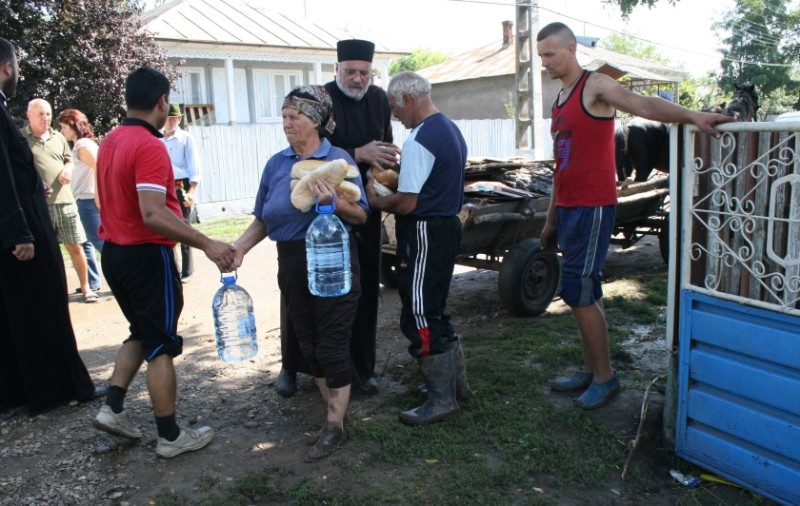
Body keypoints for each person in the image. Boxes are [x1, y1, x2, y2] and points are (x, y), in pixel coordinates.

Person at [536, 22, 734, 409]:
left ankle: (606, 378)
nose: (544, 61)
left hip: (593, 206)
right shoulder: (559, 100)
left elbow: (643, 106)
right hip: (570, 208)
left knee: (578, 290)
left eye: (549, 54)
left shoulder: (594, 87)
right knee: (585, 292)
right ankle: (592, 369)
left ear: (572, 49)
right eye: (540, 55)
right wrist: (550, 216)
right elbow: (562, 165)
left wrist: (693, 115)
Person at [91, 66, 237, 459]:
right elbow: (153, 213)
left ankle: (113, 407)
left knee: (140, 330)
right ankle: (170, 436)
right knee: (161, 345)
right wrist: (206, 242)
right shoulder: (150, 145)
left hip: (114, 252)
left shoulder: (111, 140)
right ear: (161, 102)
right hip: (145, 254)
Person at [232, 85, 368, 461]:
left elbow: (362, 215)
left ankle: (334, 427)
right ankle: (332, 414)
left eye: (295, 117)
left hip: (332, 257)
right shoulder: (277, 164)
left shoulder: (337, 160)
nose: (287, 123)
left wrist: (334, 202)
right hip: (291, 260)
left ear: (317, 121)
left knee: (331, 341)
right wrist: (239, 249)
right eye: (284, 116)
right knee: (307, 341)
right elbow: (264, 217)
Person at [276, 39, 397, 397]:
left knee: (361, 293)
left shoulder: (378, 99)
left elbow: (384, 147)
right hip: (318, 211)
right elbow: (308, 149)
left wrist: (383, 169)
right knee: (304, 290)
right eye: (351, 71)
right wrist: (358, 152)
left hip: (362, 211)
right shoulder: (319, 97)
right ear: (336, 69)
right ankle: (291, 367)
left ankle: (362, 369)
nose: (358, 79)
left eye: (364, 72)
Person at [0, 37, 105, 420]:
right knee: (43, 307)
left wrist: (33, 185)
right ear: (7, 67)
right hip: (20, 230)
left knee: (16, 314)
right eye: (16, 69)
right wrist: (19, 233)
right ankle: (59, 389)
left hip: (21, 217)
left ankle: (19, 393)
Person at [365, 71, 470, 426]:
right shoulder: (450, 128)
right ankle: (457, 386)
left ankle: (442, 399)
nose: (395, 116)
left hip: (425, 229)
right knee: (436, 308)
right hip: (445, 226)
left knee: (420, 312)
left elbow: (409, 203)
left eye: (395, 108)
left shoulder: (421, 138)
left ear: (407, 100)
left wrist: (376, 202)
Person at [23, 98, 102, 301]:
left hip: (67, 201)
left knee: (76, 246)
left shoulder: (58, 138)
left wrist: (67, 168)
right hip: (39, 205)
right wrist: (35, 183)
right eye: (41, 114)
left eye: (48, 114)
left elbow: (69, 160)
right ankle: (48, 291)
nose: (46, 118)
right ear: (28, 115)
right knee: (44, 251)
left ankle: (87, 288)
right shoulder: (21, 138)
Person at [161, 103, 201, 283]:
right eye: (167, 118)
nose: (170, 122)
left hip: (181, 184)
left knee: (184, 226)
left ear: (179, 119)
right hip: (163, 185)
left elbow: (194, 167)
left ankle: (187, 270)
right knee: (165, 227)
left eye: (173, 119)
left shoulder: (186, 138)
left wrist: (191, 190)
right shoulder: (156, 138)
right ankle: (172, 270)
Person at [56, 108, 103, 256]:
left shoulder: (82, 145)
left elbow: (98, 166)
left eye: (64, 127)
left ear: (74, 125)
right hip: (85, 200)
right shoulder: (82, 144)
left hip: (88, 200)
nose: (61, 131)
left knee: (98, 241)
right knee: (89, 242)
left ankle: (122, 271)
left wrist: (98, 195)